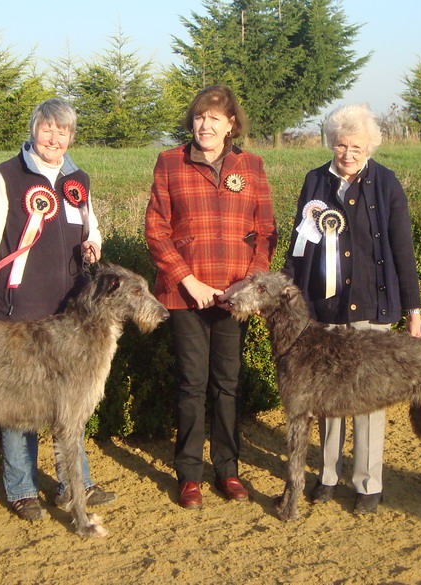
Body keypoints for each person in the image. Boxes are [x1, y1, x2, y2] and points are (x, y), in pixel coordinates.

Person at [0, 98, 116, 521]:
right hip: (20, 308)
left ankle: (75, 483)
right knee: (19, 403)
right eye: (47, 129)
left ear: (71, 136)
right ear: (34, 129)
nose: (54, 138)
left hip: (71, 315)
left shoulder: (78, 178)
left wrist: (95, 242)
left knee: (70, 403)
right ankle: (21, 488)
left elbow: (90, 227)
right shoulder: (6, 177)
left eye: (63, 131)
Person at [281, 103, 421, 514]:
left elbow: (402, 250)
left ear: (369, 146)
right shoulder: (315, 182)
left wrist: (412, 307)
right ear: (331, 144)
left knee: (367, 398)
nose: (347, 154)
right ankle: (327, 474)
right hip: (324, 310)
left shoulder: (386, 183)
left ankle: (367, 483)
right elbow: (300, 246)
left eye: (356, 147)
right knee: (327, 399)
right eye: (341, 145)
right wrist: (286, 288)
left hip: (373, 307)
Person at [145, 85, 278, 509]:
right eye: (200, 117)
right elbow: (156, 230)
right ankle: (188, 474)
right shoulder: (170, 162)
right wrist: (188, 280)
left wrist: (249, 286)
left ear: (231, 124)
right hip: (186, 295)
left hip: (234, 296)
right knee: (191, 384)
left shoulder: (252, 166)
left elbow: (267, 231)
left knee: (227, 383)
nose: (205, 125)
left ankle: (228, 469)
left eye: (215, 118)